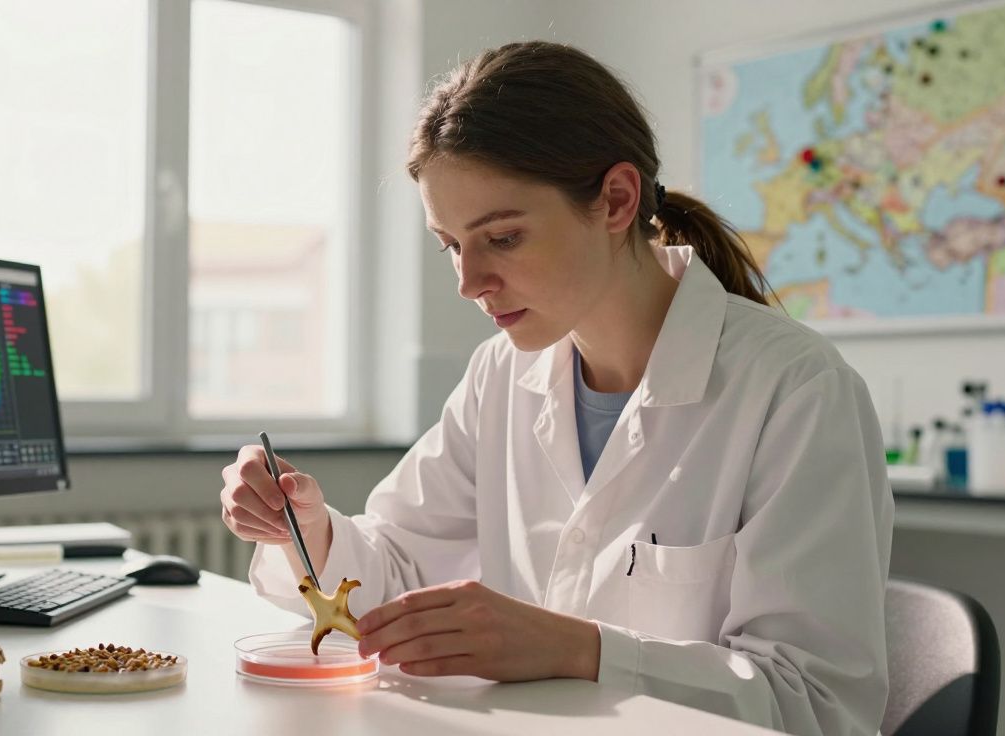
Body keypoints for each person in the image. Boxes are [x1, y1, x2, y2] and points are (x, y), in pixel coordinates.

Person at [219, 41, 892, 736]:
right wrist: (307, 528)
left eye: (502, 237)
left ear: (617, 201)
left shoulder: (796, 391)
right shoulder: (500, 375)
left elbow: (815, 704)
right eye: (452, 244)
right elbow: (395, 574)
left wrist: (578, 650)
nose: (469, 282)